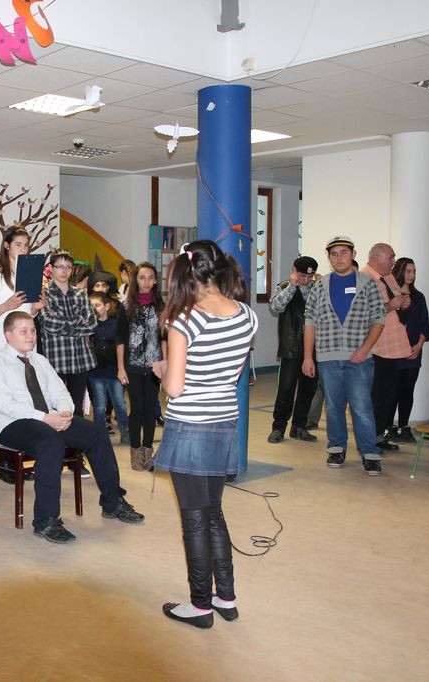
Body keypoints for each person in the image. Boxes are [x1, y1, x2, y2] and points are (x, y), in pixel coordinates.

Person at [151, 240, 257, 629]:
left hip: (190, 426)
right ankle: (225, 598)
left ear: (185, 273)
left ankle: (199, 606)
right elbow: (232, 372)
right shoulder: (247, 315)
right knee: (213, 512)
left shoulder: (186, 320)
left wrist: (163, 369)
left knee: (195, 519)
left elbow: (176, 387)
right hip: (225, 423)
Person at [0, 312, 144, 543]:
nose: (31, 335)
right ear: (8, 335)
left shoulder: (40, 360)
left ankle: (112, 501)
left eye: (33, 330)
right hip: (12, 424)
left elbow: (60, 392)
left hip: (49, 418)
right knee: (51, 441)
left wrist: (65, 411)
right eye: (23, 331)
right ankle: (45, 521)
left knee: (96, 432)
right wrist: (45, 418)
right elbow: (4, 404)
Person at [302, 236, 386, 475]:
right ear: (329, 258)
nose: (338, 258)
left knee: (362, 408)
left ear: (353, 255)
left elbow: (379, 319)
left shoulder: (368, 284)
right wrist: (308, 357)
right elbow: (310, 322)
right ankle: (336, 447)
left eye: (343, 253)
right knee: (333, 407)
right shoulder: (320, 286)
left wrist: (364, 349)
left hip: (359, 359)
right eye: (334, 254)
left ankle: (369, 452)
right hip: (327, 358)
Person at [361, 243, 411, 452]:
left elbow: (398, 303)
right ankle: (368, 440)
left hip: (393, 349)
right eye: (391, 257)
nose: (393, 261)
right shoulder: (363, 279)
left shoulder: (388, 277)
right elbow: (363, 313)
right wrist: (391, 305)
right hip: (375, 349)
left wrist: (404, 302)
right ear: (377, 258)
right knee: (373, 398)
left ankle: (379, 436)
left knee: (386, 397)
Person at [117, 262, 165, 471]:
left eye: (150, 278)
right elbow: (120, 339)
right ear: (135, 280)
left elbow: (164, 338)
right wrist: (121, 367)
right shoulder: (125, 307)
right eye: (142, 277)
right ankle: (135, 452)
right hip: (133, 366)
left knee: (150, 410)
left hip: (155, 367)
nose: (146, 282)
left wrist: (166, 364)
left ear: (155, 281)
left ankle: (148, 451)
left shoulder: (161, 307)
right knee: (136, 409)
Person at [267, 256, 320, 444]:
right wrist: (292, 285)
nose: (306, 280)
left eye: (309, 276)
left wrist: (321, 285)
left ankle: (299, 427)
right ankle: (278, 427)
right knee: (286, 389)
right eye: (302, 276)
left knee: (308, 390)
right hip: (291, 347)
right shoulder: (284, 286)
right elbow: (276, 306)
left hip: (314, 348)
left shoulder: (318, 288)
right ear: (294, 271)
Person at [39, 250, 97, 416]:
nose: (64, 271)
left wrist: (62, 322)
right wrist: (78, 321)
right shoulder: (44, 294)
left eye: (68, 267)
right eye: (60, 267)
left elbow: (92, 324)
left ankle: (76, 433)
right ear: (51, 268)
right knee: (55, 406)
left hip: (81, 358)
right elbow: (48, 324)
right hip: (56, 357)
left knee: (77, 408)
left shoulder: (81, 294)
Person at [0, 227, 46, 355]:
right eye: (18, 244)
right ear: (7, 245)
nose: (23, 249)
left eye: (26, 245)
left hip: (28, 343)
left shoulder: (30, 274)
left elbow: (27, 313)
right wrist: (6, 306)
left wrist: (35, 309)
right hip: (5, 343)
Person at [387, 258, 429, 443]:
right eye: (408, 271)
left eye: (414, 271)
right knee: (392, 391)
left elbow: (424, 324)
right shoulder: (391, 295)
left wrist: (419, 345)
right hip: (394, 352)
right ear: (400, 271)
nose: (411, 275)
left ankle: (404, 426)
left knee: (407, 391)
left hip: (413, 352)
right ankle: (388, 426)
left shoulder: (419, 297)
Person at [88, 292, 130, 449]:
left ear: (106, 306)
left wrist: (122, 368)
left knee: (120, 403)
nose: (94, 308)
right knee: (99, 405)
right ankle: (99, 436)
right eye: (91, 306)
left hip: (114, 371)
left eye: (97, 305)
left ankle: (125, 432)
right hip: (96, 372)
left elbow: (122, 346)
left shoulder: (116, 324)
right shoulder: (89, 326)